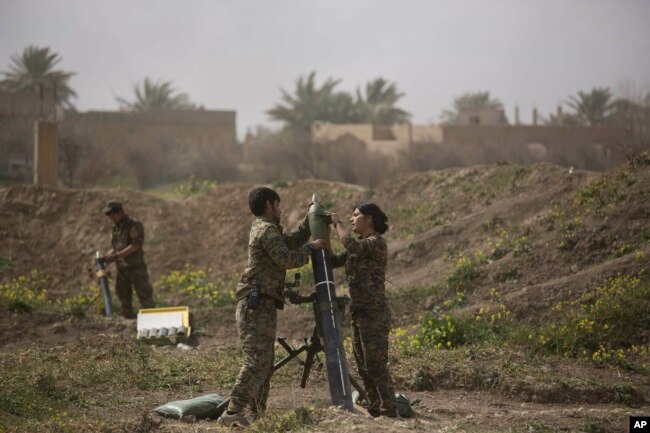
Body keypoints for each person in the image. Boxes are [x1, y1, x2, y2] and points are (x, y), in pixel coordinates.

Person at [217, 187, 326, 427]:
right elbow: (287, 258)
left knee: (264, 362)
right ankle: (233, 412)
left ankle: (257, 415)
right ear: (269, 205)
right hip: (255, 304)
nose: (281, 209)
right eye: (278, 205)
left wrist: (309, 223)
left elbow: (289, 242)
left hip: (262, 303)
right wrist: (311, 248)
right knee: (257, 360)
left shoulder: (268, 230)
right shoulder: (266, 230)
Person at [328, 203, 397, 418]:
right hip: (359, 311)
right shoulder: (357, 246)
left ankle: (389, 408)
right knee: (363, 365)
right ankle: (375, 405)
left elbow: (350, 245)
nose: (351, 219)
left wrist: (337, 222)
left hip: (374, 312)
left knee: (376, 364)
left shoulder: (375, 243)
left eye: (356, 215)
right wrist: (323, 245)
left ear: (369, 219)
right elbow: (333, 261)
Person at [102, 200, 155, 319]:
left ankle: (152, 320)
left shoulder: (133, 225)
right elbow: (115, 247)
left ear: (121, 212)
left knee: (144, 295)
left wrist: (116, 256)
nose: (112, 218)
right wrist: (106, 257)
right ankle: (129, 322)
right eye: (110, 216)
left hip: (136, 267)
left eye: (114, 215)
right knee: (124, 297)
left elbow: (135, 245)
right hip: (122, 269)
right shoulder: (115, 228)